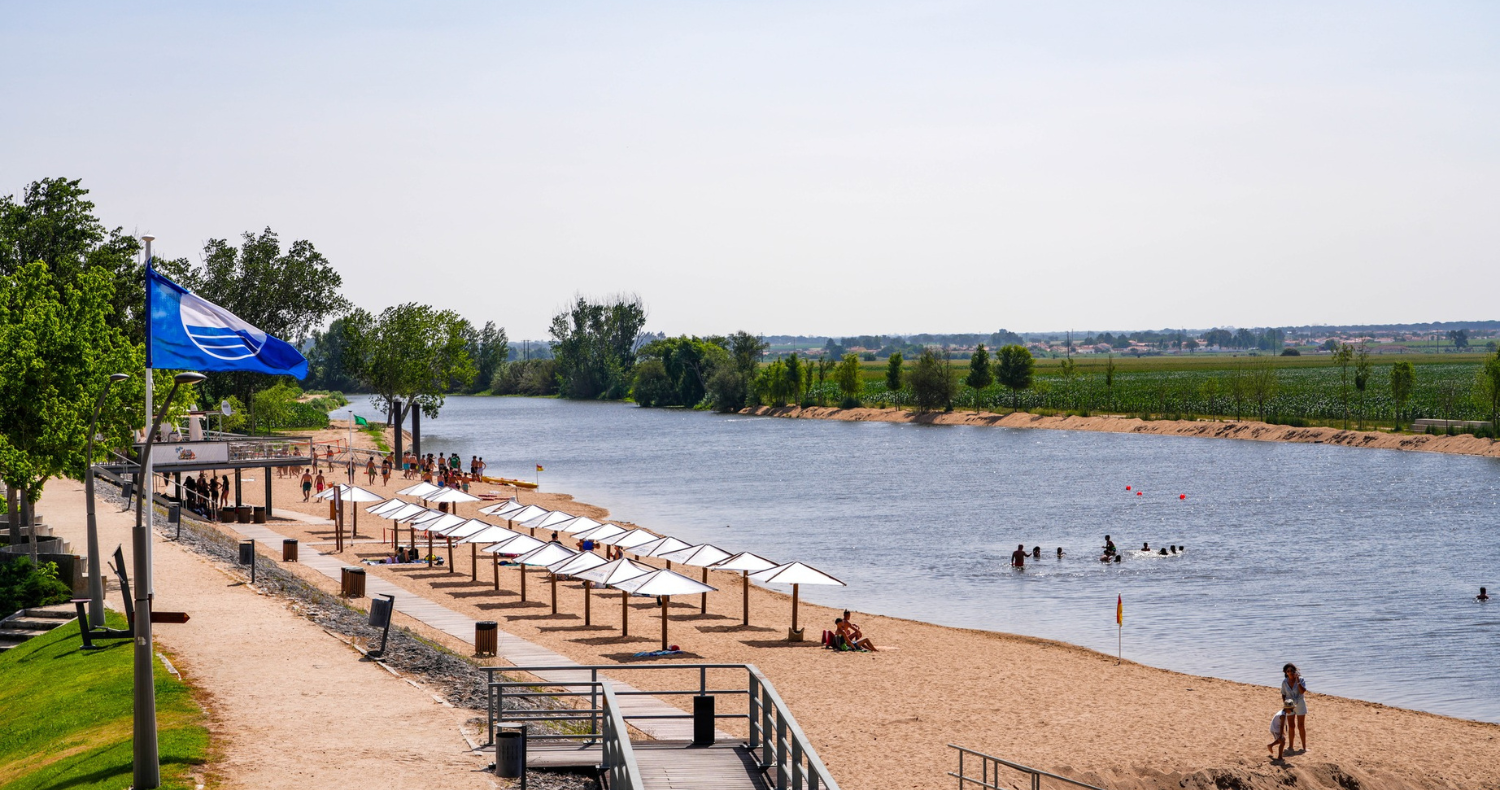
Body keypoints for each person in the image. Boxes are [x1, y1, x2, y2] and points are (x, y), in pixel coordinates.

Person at [1280, 664, 1308, 752]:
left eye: (1292, 670)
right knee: (1291, 726)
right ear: (1286, 672)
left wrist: (1298, 681)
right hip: (1289, 702)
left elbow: (1302, 691)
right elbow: (1283, 694)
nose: (1290, 672)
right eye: (1288, 671)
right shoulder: (1285, 682)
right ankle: (1290, 746)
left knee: (1301, 725)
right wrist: (1285, 705)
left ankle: (1304, 747)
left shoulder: (1301, 679)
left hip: (1300, 702)